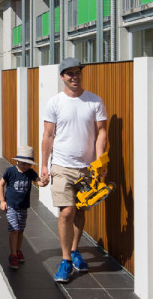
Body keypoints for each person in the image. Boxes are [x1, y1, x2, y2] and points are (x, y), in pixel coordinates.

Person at [40, 57, 107, 283]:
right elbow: (48, 136)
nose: (74, 77)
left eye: (77, 73)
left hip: (87, 168)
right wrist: (43, 165)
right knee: (66, 212)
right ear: (62, 77)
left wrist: (101, 163)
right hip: (61, 166)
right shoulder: (55, 102)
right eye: (69, 74)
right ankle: (66, 260)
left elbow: (102, 134)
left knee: (80, 212)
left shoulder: (94, 102)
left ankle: (75, 250)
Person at [0, 145, 48, 269]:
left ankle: (18, 250)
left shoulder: (30, 173)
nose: (26, 166)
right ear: (18, 161)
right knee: (14, 229)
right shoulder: (10, 171)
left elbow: (39, 182)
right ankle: (13, 255)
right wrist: (2, 201)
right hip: (11, 206)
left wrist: (44, 181)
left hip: (23, 207)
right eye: (24, 163)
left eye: (28, 164)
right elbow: (1, 184)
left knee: (20, 231)